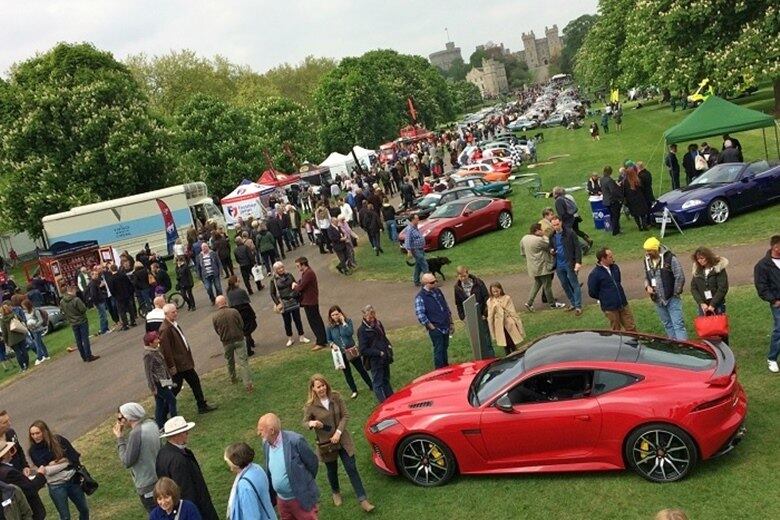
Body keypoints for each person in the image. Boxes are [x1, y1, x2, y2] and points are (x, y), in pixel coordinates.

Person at [302, 375, 374, 513]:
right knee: (332, 470)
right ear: (313, 389)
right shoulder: (311, 406)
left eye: (323, 385)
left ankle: (363, 499)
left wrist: (338, 432)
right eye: (318, 386)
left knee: (351, 467)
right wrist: (311, 423)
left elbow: (345, 415)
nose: (322, 388)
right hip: (327, 444)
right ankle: (336, 492)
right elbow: (304, 422)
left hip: (342, 440)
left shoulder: (335, 397)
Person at [257, 413, 320, 520]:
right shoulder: (266, 444)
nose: (258, 433)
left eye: (261, 430)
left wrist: (304, 483)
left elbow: (312, 463)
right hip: (282, 501)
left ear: (272, 430)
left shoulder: (295, 441)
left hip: (300, 498)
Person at [155, 416, 219, 520]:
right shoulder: (178, 460)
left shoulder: (163, 453)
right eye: (185, 432)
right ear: (176, 435)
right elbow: (187, 492)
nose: (187, 434)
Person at [158, 304, 216, 414]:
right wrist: (172, 367)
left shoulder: (172, 324)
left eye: (176, 311)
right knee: (175, 388)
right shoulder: (165, 329)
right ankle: (162, 414)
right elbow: (166, 351)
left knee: (194, 382)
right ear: (166, 314)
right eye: (173, 312)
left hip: (184, 363)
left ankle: (201, 405)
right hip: (179, 365)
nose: (176, 313)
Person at [28, 420, 90, 520]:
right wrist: (64, 460)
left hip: (73, 480)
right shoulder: (33, 451)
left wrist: (56, 462)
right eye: (32, 434)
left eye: (37, 433)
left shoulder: (58, 440)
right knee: (65, 517)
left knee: (84, 509)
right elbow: (47, 470)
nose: (35, 436)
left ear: (45, 432)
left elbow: (74, 456)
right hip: (56, 486)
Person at [113, 403, 160, 512]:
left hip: (147, 485)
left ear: (128, 417)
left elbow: (127, 461)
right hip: (160, 477)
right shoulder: (151, 423)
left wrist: (120, 438)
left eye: (120, 418)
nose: (119, 421)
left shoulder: (136, 434)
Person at [643, 237, 688, 340]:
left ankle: (683, 349)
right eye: (646, 250)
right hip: (657, 299)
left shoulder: (670, 258)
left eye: (649, 250)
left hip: (672, 298)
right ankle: (673, 346)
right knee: (667, 324)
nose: (647, 253)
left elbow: (679, 276)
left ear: (656, 249)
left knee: (678, 325)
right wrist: (647, 286)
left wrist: (676, 292)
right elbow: (646, 276)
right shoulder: (646, 260)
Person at [326, 306, 372, 399]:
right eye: (332, 315)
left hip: (351, 350)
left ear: (340, 313)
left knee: (361, 369)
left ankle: (371, 385)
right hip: (341, 353)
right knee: (347, 373)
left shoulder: (348, 321)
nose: (335, 316)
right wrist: (332, 344)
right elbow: (329, 339)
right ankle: (354, 390)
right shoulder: (330, 327)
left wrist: (343, 323)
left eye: (336, 314)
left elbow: (349, 333)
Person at [520, 223, 566, 312]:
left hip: (532, 267)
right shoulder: (539, 240)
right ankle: (552, 304)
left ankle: (529, 302)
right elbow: (549, 245)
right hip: (543, 266)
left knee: (537, 283)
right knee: (547, 286)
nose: (543, 231)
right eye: (541, 230)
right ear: (536, 231)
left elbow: (523, 253)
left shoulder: (524, 238)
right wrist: (544, 236)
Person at [587, 248, 637, 331]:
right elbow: (592, 292)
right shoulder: (595, 274)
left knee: (631, 326)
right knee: (616, 330)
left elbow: (618, 282)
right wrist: (604, 297)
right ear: (603, 259)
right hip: (610, 308)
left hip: (623, 303)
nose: (613, 258)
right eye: (610, 257)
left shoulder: (615, 267)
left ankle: (635, 342)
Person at [223, 442, 276, 520]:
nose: (230, 468)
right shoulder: (257, 468)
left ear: (236, 464)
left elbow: (252, 516)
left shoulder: (244, 486)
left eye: (229, 464)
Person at [212, 295, 253, 392]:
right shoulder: (234, 312)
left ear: (217, 304)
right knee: (243, 362)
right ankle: (248, 383)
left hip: (226, 342)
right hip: (238, 339)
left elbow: (216, 330)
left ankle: (233, 378)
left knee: (229, 361)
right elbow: (241, 324)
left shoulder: (215, 317)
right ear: (225, 302)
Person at [453, 266, 494, 358]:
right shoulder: (457, 288)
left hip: (481, 314)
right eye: (460, 276)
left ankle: (491, 357)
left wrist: (485, 313)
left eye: (464, 276)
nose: (463, 278)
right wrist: (462, 316)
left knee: (486, 337)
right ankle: (480, 358)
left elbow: (486, 298)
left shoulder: (478, 283)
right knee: (475, 338)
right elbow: (458, 303)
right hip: (469, 315)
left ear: (467, 273)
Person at [415, 273, 454, 369]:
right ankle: (440, 370)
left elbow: (445, 307)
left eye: (435, 281)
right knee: (439, 350)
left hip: (445, 325)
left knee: (445, 348)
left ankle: (446, 367)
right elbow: (420, 315)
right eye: (432, 282)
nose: (435, 283)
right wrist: (431, 326)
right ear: (425, 284)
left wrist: (451, 322)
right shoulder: (420, 297)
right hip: (436, 328)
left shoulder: (438, 291)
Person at [0, 437, 45, 520]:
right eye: (8, 450)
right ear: (4, 454)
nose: (11, 453)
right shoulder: (9, 473)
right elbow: (31, 489)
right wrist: (40, 474)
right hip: (29, 512)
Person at [754, 235, 780, 372]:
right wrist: (774, 300)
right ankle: (772, 358)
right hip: (778, 303)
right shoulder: (762, 265)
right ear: (775, 247)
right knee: (779, 329)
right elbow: (761, 287)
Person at [357, 305, 394, 402]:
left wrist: (388, 346)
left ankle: (391, 400)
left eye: (373, 315)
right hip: (375, 361)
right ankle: (384, 404)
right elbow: (363, 350)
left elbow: (383, 337)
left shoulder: (378, 323)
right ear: (364, 316)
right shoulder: (362, 330)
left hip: (385, 357)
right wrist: (378, 353)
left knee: (386, 380)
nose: (372, 318)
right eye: (369, 316)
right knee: (378, 383)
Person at [270, 262, 310, 348]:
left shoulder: (289, 275)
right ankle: (290, 338)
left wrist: (296, 293)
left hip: (293, 300)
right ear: (275, 270)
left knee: (297, 319)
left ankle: (301, 336)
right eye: (279, 269)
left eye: (282, 267)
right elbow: (272, 293)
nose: (281, 270)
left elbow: (295, 284)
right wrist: (278, 303)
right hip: (283, 302)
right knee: (287, 321)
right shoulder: (273, 280)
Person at [142, 331, 177, 429]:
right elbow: (148, 372)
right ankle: (175, 421)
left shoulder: (156, 351)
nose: (158, 340)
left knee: (160, 404)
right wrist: (152, 387)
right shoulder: (148, 355)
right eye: (156, 339)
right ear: (150, 343)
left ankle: (159, 425)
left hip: (164, 381)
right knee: (172, 400)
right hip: (158, 383)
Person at [292, 258, 328, 351]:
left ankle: (321, 342)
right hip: (309, 301)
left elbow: (300, 287)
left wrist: (295, 286)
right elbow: (301, 282)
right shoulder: (306, 273)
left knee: (315, 322)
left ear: (303, 264)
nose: (297, 267)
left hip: (310, 301)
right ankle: (321, 340)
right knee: (314, 321)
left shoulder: (308, 273)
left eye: (298, 265)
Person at [550, 216, 583, 314]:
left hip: (569, 263)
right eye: (554, 225)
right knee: (564, 284)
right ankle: (573, 303)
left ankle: (578, 306)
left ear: (561, 222)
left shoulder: (570, 233)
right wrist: (551, 250)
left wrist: (578, 262)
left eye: (557, 224)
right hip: (559, 265)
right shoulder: (551, 236)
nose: (556, 227)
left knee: (574, 283)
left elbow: (577, 248)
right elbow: (550, 246)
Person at [58, 286, 99, 363]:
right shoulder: (76, 299)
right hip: (81, 320)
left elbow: (62, 312)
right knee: (85, 339)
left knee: (78, 340)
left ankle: (83, 356)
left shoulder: (62, 302)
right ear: (72, 291)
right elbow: (83, 309)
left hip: (73, 322)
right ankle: (88, 355)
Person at [486, 283, 525, 356]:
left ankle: (516, 355)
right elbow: (490, 317)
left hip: (508, 322)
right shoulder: (490, 301)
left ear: (500, 289)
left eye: (497, 291)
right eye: (493, 292)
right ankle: (508, 356)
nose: (495, 293)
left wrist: (517, 322)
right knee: (504, 343)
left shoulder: (507, 298)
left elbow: (512, 311)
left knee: (512, 341)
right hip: (499, 325)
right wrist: (492, 331)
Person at [226, 276, 258, 357]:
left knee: (243, 328)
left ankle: (251, 342)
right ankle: (248, 349)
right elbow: (247, 301)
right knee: (248, 329)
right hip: (245, 311)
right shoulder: (241, 291)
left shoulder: (229, 292)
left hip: (235, 312)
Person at [0, 302, 29, 373]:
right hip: (20, 335)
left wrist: (6, 341)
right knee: (24, 350)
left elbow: (4, 332)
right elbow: (21, 320)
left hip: (12, 339)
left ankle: (22, 367)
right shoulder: (14, 315)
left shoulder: (3, 320)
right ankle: (27, 364)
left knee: (18, 352)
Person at [21, 299, 49, 366]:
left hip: (38, 329)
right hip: (33, 330)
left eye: (24, 306)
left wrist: (35, 325)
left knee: (37, 344)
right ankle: (46, 355)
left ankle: (39, 358)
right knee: (40, 343)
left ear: (27, 305)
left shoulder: (35, 311)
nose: (23, 307)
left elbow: (41, 320)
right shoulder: (28, 312)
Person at [403, 214, 428, 287]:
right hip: (415, 250)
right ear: (412, 220)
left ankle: (416, 281)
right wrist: (409, 251)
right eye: (417, 219)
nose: (418, 220)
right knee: (424, 264)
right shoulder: (410, 229)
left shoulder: (415, 228)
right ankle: (428, 281)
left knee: (418, 266)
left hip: (420, 249)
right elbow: (407, 240)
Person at [85, 270, 109, 335]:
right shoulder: (92, 283)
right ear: (92, 275)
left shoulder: (95, 282)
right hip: (99, 301)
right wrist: (96, 302)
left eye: (97, 274)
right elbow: (93, 294)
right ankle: (104, 330)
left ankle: (106, 328)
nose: (96, 275)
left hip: (100, 300)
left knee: (104, 315)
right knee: (103, 315)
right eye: (95, 274)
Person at [600, 166, 623, 235]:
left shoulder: (602, 179)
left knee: (612, 215)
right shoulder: (609, 180)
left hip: (606, 201)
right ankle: (616, 231)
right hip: (612, 201)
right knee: (615, 216)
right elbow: (613, 191)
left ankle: (616, 229)